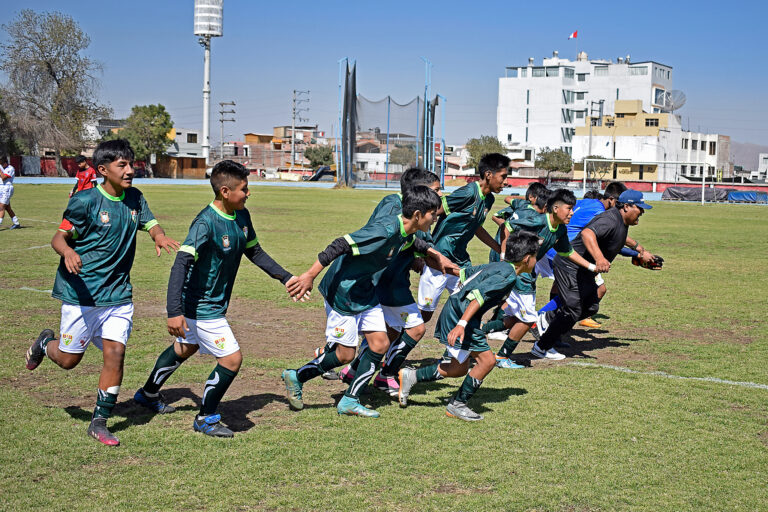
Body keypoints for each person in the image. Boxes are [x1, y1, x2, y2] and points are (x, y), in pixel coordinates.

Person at [24, 139, 179, 446]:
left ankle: (99, 421)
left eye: (131, 164)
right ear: (103, 170)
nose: (129, 170)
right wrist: (67, 252)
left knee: (115, 353)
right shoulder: (85, 201)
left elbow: (151, 223)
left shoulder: (135, 198)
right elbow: (59, 236)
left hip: (118, 295)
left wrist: (159, 237)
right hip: (82, 295)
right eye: (122, 165)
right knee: (69, 360)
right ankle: (45, 343)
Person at [133, 160, 305, 438]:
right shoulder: (205, 223)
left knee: (185, 348)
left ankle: (147, 394)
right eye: (244, 189)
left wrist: (285, 277)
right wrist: (174, 311)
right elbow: (181, 265)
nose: (248, 193)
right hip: (201, 306)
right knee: (231, 359)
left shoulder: (241, 215)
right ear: (225, 191)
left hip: (211, 304)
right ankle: (206, 417)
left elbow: (255, 251)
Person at [281, 186, 455, 418]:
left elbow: (414, 244)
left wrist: (436, 256)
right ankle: (297, 376)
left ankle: (349, 401)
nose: (436, 218)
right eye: (433, 214)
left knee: (380, 344)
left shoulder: (407, 231)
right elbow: (340, 244)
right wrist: (310, 275)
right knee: (345, 355)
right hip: (344, 292)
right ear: (417, 215)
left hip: (366, 291)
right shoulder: (383, 230)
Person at [397, 230, 540, 421]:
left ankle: (411, 376)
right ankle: (458, 405)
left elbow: (461, 273)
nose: (536, 261)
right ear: (527, 259)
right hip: (461, 316)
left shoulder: (499, 266)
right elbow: (476, 298)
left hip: (456, 311)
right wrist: (461, 325)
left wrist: (434, 259)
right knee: (487, 361)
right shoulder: (508, 276)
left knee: (458, 368)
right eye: (536, 257)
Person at [334, 168, 442, 397]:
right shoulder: (395, 210)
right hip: (388, 280)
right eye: (436, 190)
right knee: (416, 328)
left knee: (389, 331)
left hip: (391, 277)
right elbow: (388, 239)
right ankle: (384, 375)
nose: (439, 196)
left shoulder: (396, 204)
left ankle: (354, 370)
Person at [533, 189, 661, 359]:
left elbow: (615, 243)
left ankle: (548, 326)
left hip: (584, 270)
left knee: (591, 306)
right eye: (639, 208)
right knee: (572, 309)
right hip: (570, 265)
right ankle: (542, 343)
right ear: (627, 206)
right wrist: (599, 259)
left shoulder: (621, 223)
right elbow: (587, 233)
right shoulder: (610, 219)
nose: (642, 212)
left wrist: (638, 256)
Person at [490, 189, 598, 366]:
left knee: (519, 318)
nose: (572, 212)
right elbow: (507, 226)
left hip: (526, 273)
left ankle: (478, 333)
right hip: (517, 273)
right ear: (555, 208)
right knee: (529, 318)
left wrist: (591, 266)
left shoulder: (560, 229)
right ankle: (502, 356)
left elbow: (567, 252)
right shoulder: (536, 221)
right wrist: (504, 255)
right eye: (569, 208)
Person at [537, 182, 645, 329]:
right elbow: (610, 240)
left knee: (561, 288)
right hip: (566, 250)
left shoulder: (588, 202)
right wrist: (636, 251)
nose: (620, 206)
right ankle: (541, 319)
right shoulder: (602, 214)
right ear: (612, 200)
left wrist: (636, 250)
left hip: (553, 245)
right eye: (619, 202)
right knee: (595, 290)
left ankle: (547, 323)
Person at [417, 153, 510, 323]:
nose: (506, 182)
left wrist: (499, 249)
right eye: (503, 176)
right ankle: (396, 333)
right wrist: (423, 249)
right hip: (438, 261)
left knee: (469, 306)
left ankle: (458, 345)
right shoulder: (468, 193)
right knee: (424, 316)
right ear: (488, 174)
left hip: (460, 261)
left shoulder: (488, 199)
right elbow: (431, 214)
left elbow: (476, 228)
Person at [488, 182, 548, 263]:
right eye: (541, 197)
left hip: (503, 251)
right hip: (505, 251)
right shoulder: (525, 209)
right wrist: (508, 229)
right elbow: (495, 216)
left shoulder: (521, 205)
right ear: (531, 197)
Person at [0, 155, 20, 229]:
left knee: (1, 207)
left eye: (1, 163)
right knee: (7, 208)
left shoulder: (10, 168)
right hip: (1, 188)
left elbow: (3, 178)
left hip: (7, 189)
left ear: (5, 162)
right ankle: (16, 223)